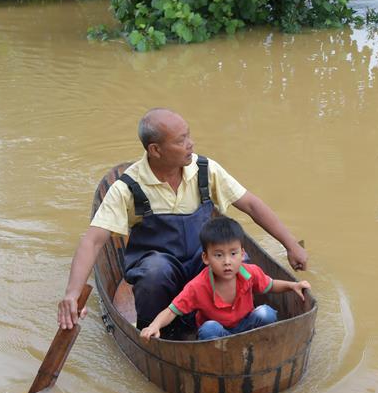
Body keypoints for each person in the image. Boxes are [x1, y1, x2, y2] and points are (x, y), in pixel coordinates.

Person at [57, 108, 308, 331]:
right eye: (181, 140)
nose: (191, 144)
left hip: (202, 260)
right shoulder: (128, 187)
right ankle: (162, 332)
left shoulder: (205, 170)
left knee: (235, 262)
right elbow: (93, 241)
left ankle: (223, 323)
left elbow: (251, 205)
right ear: (155, 150)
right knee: (156, 272)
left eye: (188, 136)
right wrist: (72, 294)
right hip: (159, 267)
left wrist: (291, 245)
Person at [139, 217, 310, 341]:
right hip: (217, 334)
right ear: (206, 258)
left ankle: (254, 343)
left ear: (242, 254)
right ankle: (219, 354)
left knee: (266, 313)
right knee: (209, 328)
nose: (227, 262)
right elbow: (172, 310)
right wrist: (155, 325)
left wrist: (292, 285)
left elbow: (270, 284)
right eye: (219, 255)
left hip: (245, 327)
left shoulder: (249, 272)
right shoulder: (198, 286)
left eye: (233, 254)